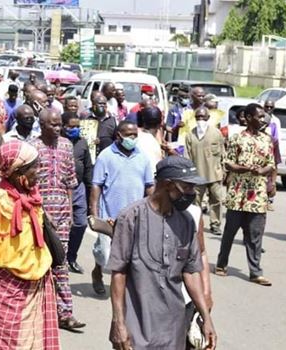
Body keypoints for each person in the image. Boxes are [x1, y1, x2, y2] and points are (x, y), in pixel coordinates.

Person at [108, 156, 216, 350]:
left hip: (173, 328)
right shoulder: (131, 217)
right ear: (168, 184)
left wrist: (205, 317)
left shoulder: (186, 221)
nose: (192, 193)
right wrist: (118, 322)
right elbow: (118, 273)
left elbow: (191, 272)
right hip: (137, 326)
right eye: (187, 187)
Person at [0, 140, 59, 350]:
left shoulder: (34, 197)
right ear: (16, 171)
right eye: (33, 167)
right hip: (6, 287)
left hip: (38, 283)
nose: (38, 172)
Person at [31, 109, 85, 330]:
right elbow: (29, 184)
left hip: (62, 212)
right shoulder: (33, 148)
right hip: (38, 213)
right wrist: (42, 211)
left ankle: (65, 313)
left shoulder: (66, 145)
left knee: (60, 264)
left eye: (58, 125)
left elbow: (70, 180)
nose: (57, 128)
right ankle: (39, 310)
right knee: (38, 263)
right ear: (42, 125)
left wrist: (70, 212)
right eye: (52, 125)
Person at [89, 120, 155, 295]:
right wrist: (94, 213)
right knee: (104, 253)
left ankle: (124, 286)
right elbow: (96, 185)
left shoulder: (142, 157)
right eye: (129, 135)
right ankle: (97, 271)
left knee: (132, 253)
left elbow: (149, 185)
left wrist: (155, 207)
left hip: (134, 214)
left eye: (135, 135)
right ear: (118, 135)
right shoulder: (105, 156)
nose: (132, 138)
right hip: (109, 213)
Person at [216, 103, 275, 286]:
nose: (263, 119)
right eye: (259, 116)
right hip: (238, 194)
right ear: (249, 118)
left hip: (257, 195)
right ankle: (222, 263)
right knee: (230, 232)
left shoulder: (267, 140)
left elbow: (270, 163)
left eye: (263, 116)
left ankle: (255, 272)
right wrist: (244, 168)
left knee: (255, 235)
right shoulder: (237, 138)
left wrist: (263, 172)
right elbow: (228, 163)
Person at [185, 106, 226, 236]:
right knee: (195, 202)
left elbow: (223, 154)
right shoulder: (190, 135)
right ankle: (196, 223)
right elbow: (187, 157)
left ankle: (215, 224)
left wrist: (223, 171)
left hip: (215, 174)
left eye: (203, 117)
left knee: (216, 200)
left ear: (208, 118)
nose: (200, 120)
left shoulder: (216, 133)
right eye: (198, 117)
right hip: (197, 176)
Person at [62, 112, 93, 274]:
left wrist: (90, 192)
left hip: (79, 188)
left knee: (80, 223)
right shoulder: (57, 141)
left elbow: (88, 167)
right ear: (63, 126)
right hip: (59, 190)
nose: (74, 130)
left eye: (77, 127)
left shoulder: (82, 143)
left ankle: (71, 257)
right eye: (71, 126)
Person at [80, 93, 117, 162]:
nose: (102, 106)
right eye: (100, 104)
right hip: (89, 157)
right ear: (93, 105)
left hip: (106, 157)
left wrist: (103, 141)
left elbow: (115, 139)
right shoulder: (86, 119)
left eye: (104, 104)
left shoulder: (112, 120)